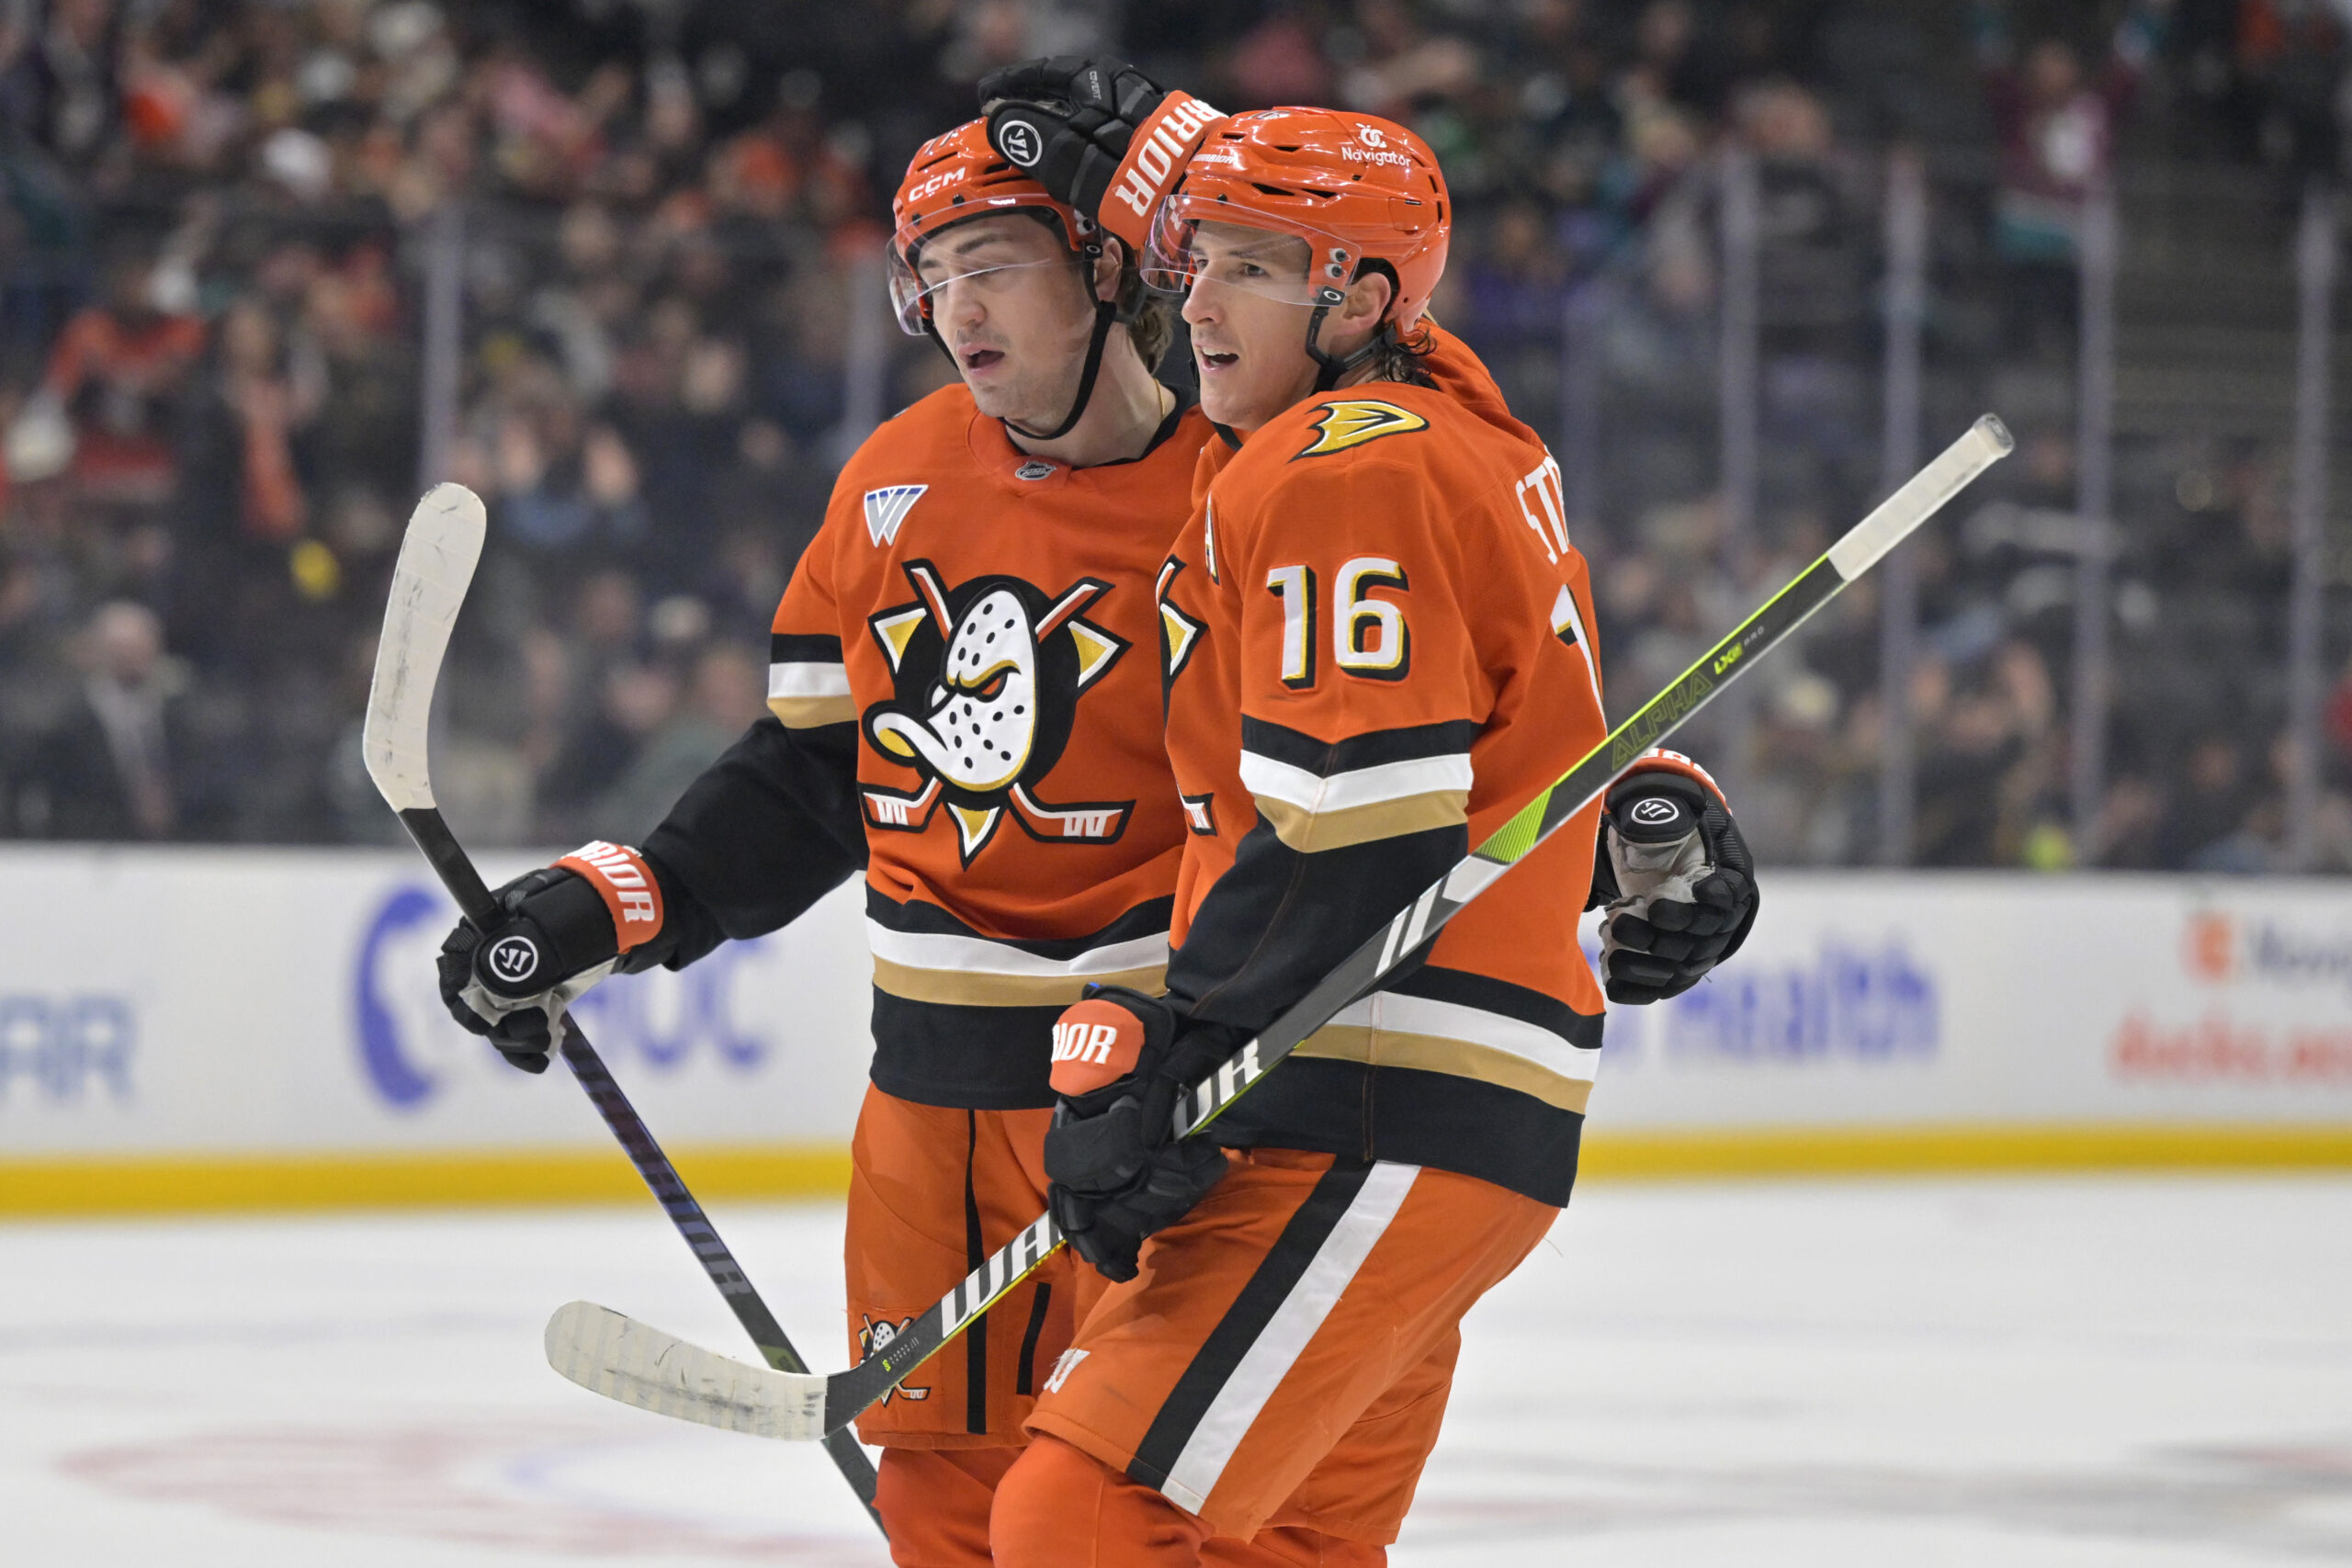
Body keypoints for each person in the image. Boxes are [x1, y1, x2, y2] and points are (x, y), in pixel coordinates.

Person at [973, 72, 1759, 1566]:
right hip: (1427, 1088)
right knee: (1279, 1550)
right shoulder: (1459, 435)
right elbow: (1512, 741)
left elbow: (1362, 822)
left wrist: (1174, 1050)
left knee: (1082, 1514)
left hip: (1372, 1081)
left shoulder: (1350, 463)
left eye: (1252, 268)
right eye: (1196, 256)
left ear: (1360, 297)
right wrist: (1655, 804)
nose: (1200, 300)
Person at [435, 118, 1212, 1566]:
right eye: (931, 278)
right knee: (940, 1514)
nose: (956, 312)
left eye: (992, 264)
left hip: (1152, 1101)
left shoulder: (1243, 484)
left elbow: (1368, 764)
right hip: (925, 1110)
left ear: (1107, 265)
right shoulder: (894, 477)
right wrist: (628, 893)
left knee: (1124, 1517)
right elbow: (818, 771)